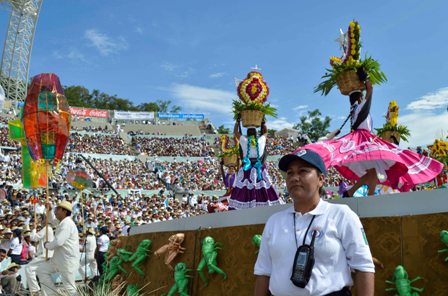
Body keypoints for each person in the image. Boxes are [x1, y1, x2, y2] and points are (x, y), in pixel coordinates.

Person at [303, 69, 443, 196]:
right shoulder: (360, 107)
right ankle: (358, 194)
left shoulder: (354, 109)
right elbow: (370, 90)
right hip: (363, 139)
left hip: (359, 139)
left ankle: (356, 193)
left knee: (372, 173)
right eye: (361, 96)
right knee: (377, 169)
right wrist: (366, 77)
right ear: (359, 98)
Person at [254, 149, 375, 296]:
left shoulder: (342, 215)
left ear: (321, 179)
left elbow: (364, 267)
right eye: (290, 173)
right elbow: (263, 272)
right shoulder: (274, 222)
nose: (294, 178)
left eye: (303, 171)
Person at [229, 115, 280, 209]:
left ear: (247, 133)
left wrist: (238, 121)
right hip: (259, 168)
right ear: (256, 133)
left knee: (243, 187)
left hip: (246, 169)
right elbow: (265, 132)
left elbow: (236, 132)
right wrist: (263, 122)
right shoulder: (260, 140)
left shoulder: (244, 140)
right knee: (263, 186)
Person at [37, 200, 80, 296]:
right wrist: (51, 209)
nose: (56, 211)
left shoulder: (67, 224)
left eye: (57, 209)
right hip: (58, 259)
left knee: (69, 287)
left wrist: (47, 245)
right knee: (41, 270)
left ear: (64, 211)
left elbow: (58, 242)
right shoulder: (63, 222)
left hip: (67, 261)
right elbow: (52, 220)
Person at [25, 219, 55, 296]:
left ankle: (35, 291)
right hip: (47, 254)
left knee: (28, 268)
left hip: (45, 254)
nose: (40, 224)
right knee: (41, 273)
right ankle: (44, 293)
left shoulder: (47, 228)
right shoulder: (49, 229)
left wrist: (34, 229)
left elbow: (33, 238)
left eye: (41, 221)